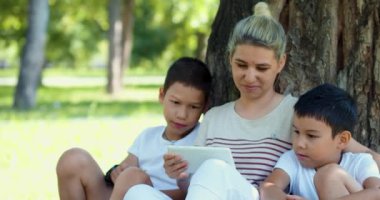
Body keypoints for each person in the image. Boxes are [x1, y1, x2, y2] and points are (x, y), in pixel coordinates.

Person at [124, 2, 380, 200]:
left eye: (261, 67)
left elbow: (356, 150)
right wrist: (179, 175)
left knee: (214, 168)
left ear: (280, 63)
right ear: (229, 60)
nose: (250, 76)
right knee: (137, 193)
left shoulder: (297, 114)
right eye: (241, 65)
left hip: (257, 196)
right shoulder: (214, 117)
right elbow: (196, 187)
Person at [56, 57, 212, 200]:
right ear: (162, 95)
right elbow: (125, 169)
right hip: (123, 195)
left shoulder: (202, 139)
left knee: (134, 177)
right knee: (73, 159)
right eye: (176, 103)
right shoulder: (147, 136)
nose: (182, 115)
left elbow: (191, 192)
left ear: (204, 107)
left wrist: (141, 189)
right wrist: (116, 172)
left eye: (193, 107)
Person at [260, 83, 380, 200]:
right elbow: (268, 188)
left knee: (329, 175)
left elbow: (377, 193)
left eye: (311, 136)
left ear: (342, 140)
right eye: (296, 132)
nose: (299, 143)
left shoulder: (360, 162)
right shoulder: (293, 160)